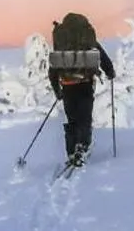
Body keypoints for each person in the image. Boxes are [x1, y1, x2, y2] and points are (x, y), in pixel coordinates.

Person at [47, 12, 115, 166]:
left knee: (72, 119)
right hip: (85, 83)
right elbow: (102, 56)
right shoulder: (87, 39)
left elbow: (53, 68)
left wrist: (57, 90)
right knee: (84, 118)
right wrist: (110, 72)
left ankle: (72, 152)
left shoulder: (62, 41)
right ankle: (82, 148)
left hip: (67, 85)